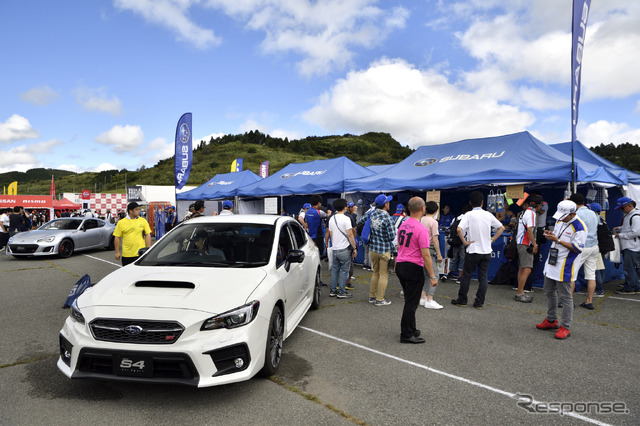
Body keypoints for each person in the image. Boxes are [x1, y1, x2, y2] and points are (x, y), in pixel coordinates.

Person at [536, 200, 587, 339]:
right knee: (548, 291)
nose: (561, 218)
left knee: (565, 297)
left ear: (573, 214)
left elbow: (578, 248)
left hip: (566, 265)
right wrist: (551, 235)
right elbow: (557, 237)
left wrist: (557, 240)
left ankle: (566, 326)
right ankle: (551, 320)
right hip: (552, 262)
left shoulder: (580, 227)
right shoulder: (560, 221)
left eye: (564, 216)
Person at [396, 197, 439, 344]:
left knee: (410, 300)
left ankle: (411, 328)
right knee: (411, 303)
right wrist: (433, 276)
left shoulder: (403, 224)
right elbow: (426, 254)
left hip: (401, 264)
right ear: (423, 209)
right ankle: (406, 334)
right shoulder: (421, 228)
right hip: (413, 266)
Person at [451, 191, 505, 309]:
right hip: (486, 250)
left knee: (467, 276)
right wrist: (492, 239)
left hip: (473, 249)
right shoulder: (488, 214)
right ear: (482, 202)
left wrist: (465, 242)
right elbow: (501, 228)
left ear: (470, 203)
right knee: (483, 277)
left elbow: (459, 229)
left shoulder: (468, 215)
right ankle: (479, 303)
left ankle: (462, 300)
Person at [358, 194, 396, 306]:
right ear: (385, 204)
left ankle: (372, 296)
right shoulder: (388, 218)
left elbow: (360, 221)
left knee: (375, 273)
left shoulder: (372, 213)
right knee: (383, 274)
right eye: (388, 202)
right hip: (384, 250)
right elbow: (392, 236)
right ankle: (380, 299)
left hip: (372, 248)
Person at [570, 193, 600, 310]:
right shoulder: (593, 213)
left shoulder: (577, 214)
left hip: (581, 247)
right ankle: (589, 301)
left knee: (571, 274)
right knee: (591, 275)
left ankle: (568, 301)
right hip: (594, 246)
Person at [325, 198, 357, 299]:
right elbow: (350, 234)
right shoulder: (346, 219)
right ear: (345, 207)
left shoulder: (331, 218)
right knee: (344, 270)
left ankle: (333, 290)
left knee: (335, 270)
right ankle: (342, 291)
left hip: (335, 248)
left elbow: (331, 233)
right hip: (344, 248)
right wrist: (354, 247)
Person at [514, 195, 543, 303]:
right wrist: (535, 244)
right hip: (525, 243)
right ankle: (520, 293)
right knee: (527, 269)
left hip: (521, 242)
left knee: (522, 268)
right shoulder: (531, 213)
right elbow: (529, 230)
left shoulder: (526, 212)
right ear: (538, 205)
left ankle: (520, 291)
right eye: (541, 205)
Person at [613, 196, 640, 294]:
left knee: (630, 268)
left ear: (629, 206)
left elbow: (636, 232)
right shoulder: (629, 215)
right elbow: (630, 229)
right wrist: (620, 228)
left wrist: (620, 235)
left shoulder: (635, 216)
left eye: (622, 208)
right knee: (633, 268)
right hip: (630, 246)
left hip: (632, 246)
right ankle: (636, 287)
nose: (621, 210)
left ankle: (630, 288)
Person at [419, 201, 443, 309]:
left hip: (420, 249)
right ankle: (430, 299)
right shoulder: (433, 222)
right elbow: (435, 239)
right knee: (434, 274)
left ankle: (423, 297)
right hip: (430, 249)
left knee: (425, 275)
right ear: (436, 211)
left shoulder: (420, 219)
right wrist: (439, 254)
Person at [113, 202, 152, 266]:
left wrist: (148, 249)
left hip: (141, 254)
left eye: (139, 209)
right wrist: (117, 252)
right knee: (128, 275)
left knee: (141, 274)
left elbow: (148, 235)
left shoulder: (143, 221)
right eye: (137, 209)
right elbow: (117, 237)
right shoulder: (121, 223)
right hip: (127, 255)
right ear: (130, 211)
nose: (139, 211)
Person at [448, 204, 472, 284]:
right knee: (462, 259)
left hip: (454, 241)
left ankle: (447, 273)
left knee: (454, 258)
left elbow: (450, 228)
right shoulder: (468, 219)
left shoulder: (456, 218)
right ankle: (460, 277)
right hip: (463, 241)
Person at [305, 195, 328, 259]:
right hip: (318, 236)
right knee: (319, 254)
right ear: (318, 203)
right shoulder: (319, 212)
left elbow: (306, 225)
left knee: (312, 253)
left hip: (310, 236)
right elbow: (328, 216)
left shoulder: (307, 212)